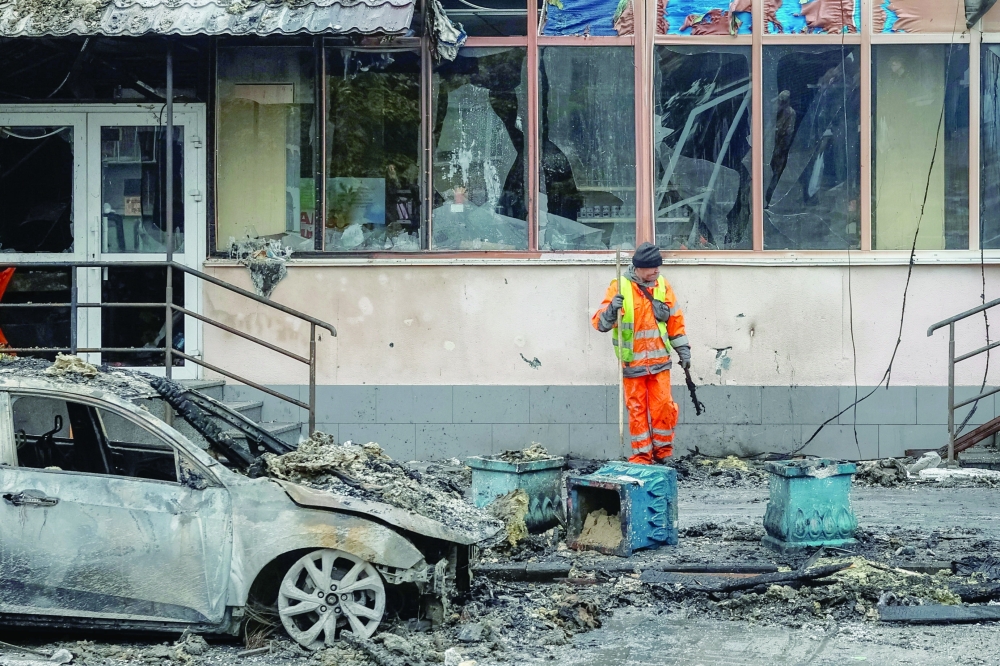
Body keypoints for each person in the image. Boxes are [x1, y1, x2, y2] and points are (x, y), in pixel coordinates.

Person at [592, 242, 691, 464]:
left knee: (663, 408)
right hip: (632, 364)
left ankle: (663, 454)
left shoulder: (663, 286)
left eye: (658, 266)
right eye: (652, 267)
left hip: (660, 363)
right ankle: (642, 457)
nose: (657, 271)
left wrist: (683, 350)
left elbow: (675, 320)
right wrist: (610, 310)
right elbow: (599, 324)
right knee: (637, 410)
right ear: (638, 267)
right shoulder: (619, 287)